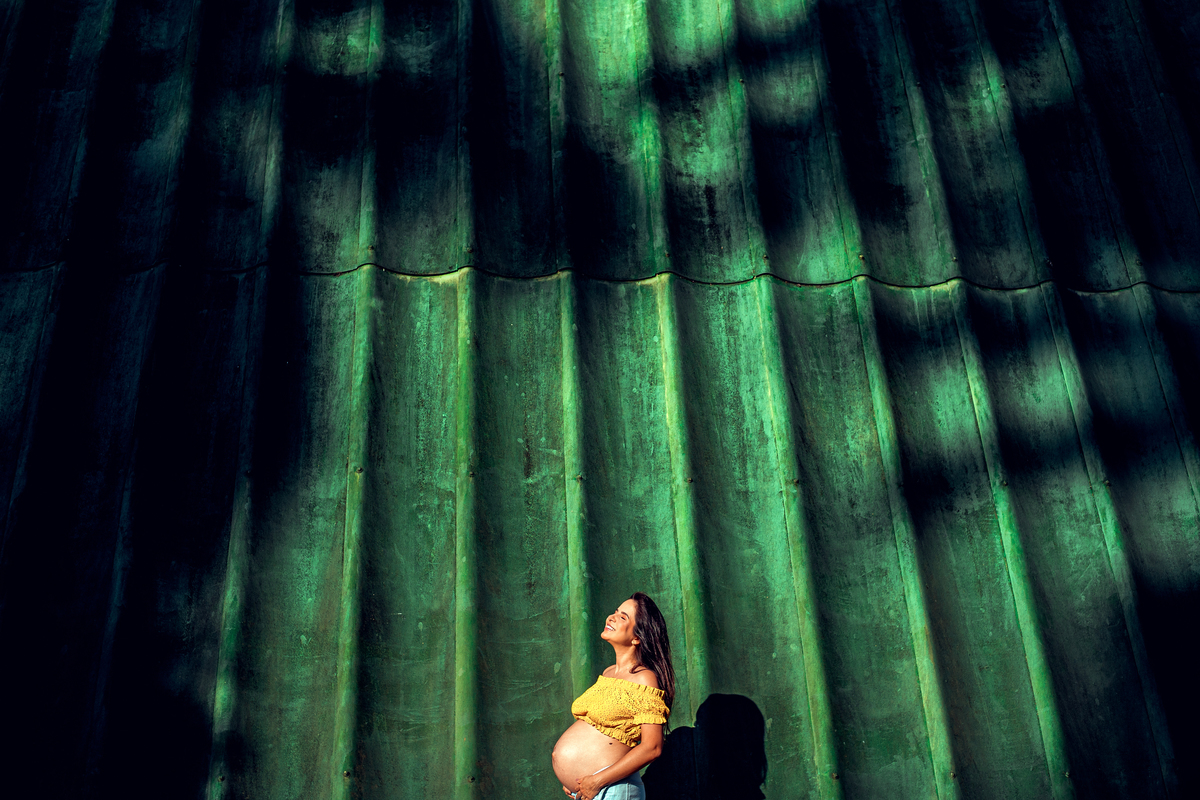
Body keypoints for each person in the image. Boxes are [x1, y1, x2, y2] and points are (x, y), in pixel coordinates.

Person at [551, 592, 676, 800]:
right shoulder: (609, 673)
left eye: (623, 617)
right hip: (591, 791)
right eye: (616, 612)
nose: (612, 617)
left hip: (611, 790)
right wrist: (572, 779)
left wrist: (596, 782)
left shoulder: (644, 678)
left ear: (637, 637)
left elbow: (652, 747)